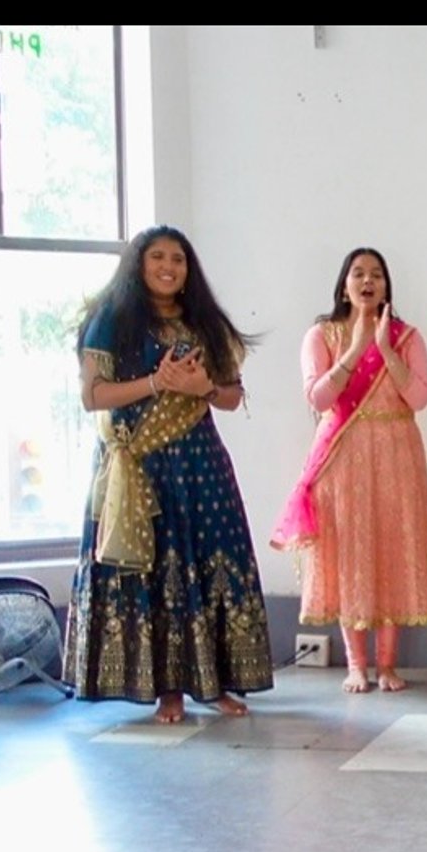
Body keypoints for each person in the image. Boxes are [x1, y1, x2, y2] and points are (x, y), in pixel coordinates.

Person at [64, 225, 272, 722]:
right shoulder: (112, 321)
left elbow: (231, 396)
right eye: (157, 256)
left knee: (208, 561)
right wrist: (157, 382)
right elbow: (93, 396)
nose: (168, 266)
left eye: (177, 258)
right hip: (140, 465)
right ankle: (167, 690)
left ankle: (214, 683)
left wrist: (201, 387)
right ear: (138, 264)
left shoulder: (204, 323)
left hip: (200, 464)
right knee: (156, 569)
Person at [270, 248, 427, 693]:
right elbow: (319, 398)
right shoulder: (321, 335)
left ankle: (387, 665)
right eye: (359, 273)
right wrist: (355, 350)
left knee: (391, 549)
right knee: (350, 552)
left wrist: (384, 348)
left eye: (378, 275)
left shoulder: (406, 337)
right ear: (344, 284)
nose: (368, 281)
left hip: (397, 451)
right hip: (343, 456)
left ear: (387, 286)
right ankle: (355, 663)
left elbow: (420, 399)